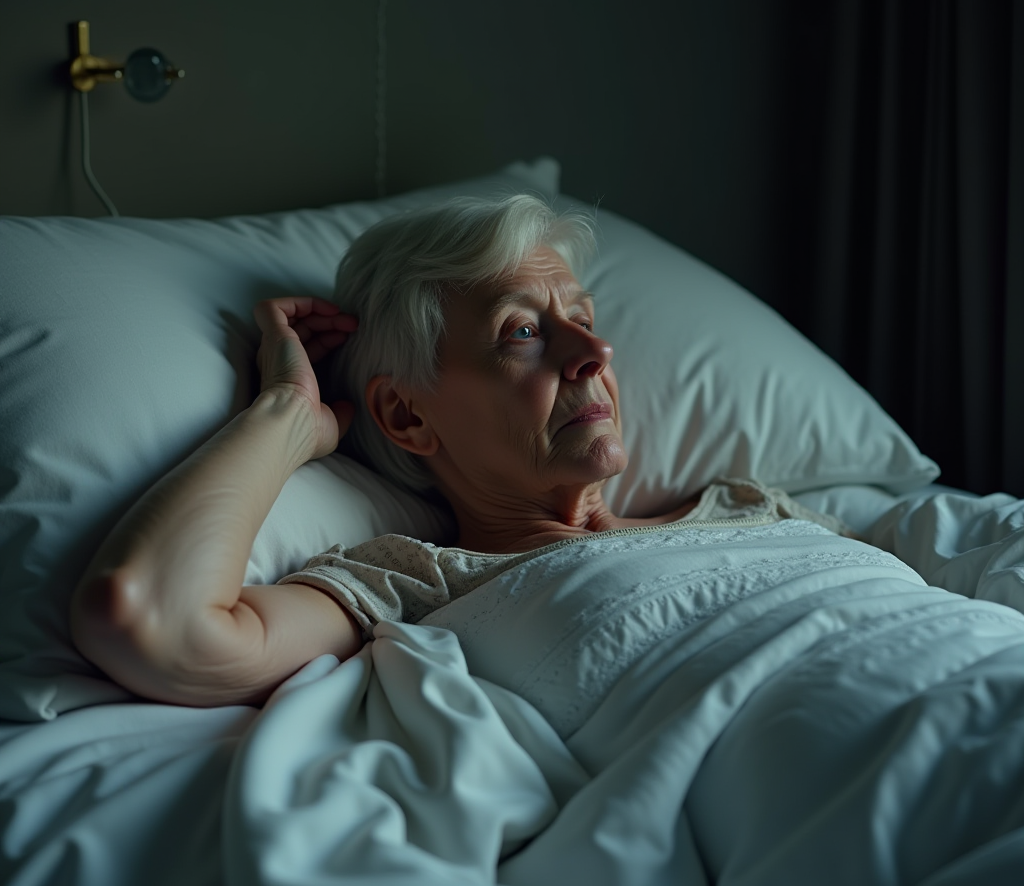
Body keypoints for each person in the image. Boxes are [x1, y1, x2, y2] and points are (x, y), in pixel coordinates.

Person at [69, 194, 847, 711]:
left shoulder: (748, 507)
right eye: (523, 332)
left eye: (580, 316)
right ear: (407, 415)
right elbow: (145, 619)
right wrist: (285, 417)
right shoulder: (428, 591)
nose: (594, 349)